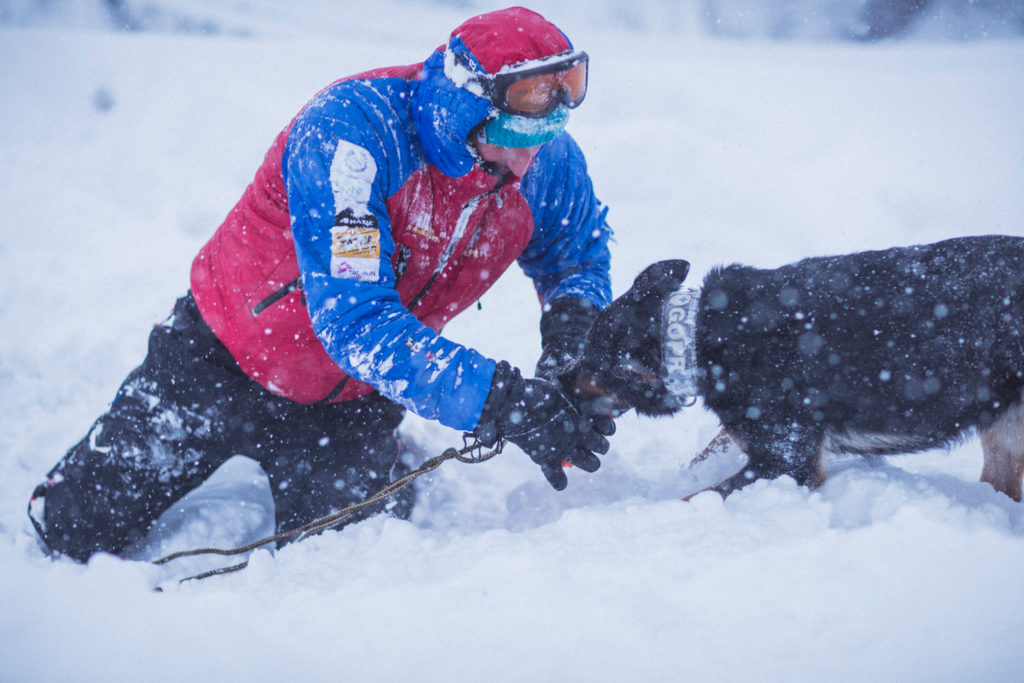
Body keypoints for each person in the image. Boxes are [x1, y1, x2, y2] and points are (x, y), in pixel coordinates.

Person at [28, 6, 616, 563]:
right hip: (219, 360)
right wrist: (501, 401)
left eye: (540, 143)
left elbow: (576, 259)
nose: (525, 165)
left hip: (350, 404)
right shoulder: (353, 136)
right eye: (510, 143)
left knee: (337, 565)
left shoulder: (544, 158)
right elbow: (357, 323)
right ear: (465, 115)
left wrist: (574, 350)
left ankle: (385, 460)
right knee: (71, 529)